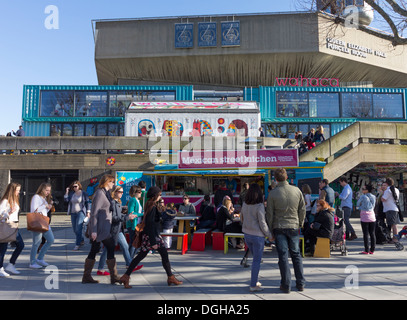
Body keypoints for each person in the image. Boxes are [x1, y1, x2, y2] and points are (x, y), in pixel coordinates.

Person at [119, 186, 183, 289]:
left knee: (141, 256)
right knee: (163, 255)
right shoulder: (152, 206)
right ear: (155, 195)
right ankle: (170, 277)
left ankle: (125, 276)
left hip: (149, 235)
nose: (160, 196)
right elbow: (150, 224)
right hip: (152, 237)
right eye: (159, 194)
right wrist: (153, 241)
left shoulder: (149, 204)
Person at [266, 168, 306, 293]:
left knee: (283, 256)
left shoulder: (273, 193)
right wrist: (300, 223)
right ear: (286, 177)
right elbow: (302, 209)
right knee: (296, 255)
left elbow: (270, 213)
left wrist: (270, 229)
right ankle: (300, 283)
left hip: (279, 227)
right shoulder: (297, 190)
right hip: (293, 226)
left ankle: (286, 284)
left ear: (276, 179)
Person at [82, 174, 119, 285]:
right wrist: (93, 230)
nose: (113, 184)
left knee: (94, 249)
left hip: (103, 227)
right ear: (107, 181)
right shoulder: (99, 193)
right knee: (110, 246)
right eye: (112, 182)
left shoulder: (106, 193)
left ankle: (87, 277)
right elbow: (94, 212)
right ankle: (114, 277)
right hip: (100, 229)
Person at [241, 184, 272, 292]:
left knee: (255, 259)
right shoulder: (259, 206)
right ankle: (253, 284)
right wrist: (269, 235)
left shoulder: (245, 204)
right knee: (256, 261)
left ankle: (255, 280)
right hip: (257, 236)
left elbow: (242, 218)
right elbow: (262, 223)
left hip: (247, 234)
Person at [97, 186, 133, 273]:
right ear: (115, 192)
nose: (122, 193)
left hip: (117, 229)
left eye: (123, 192)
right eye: (120, 192)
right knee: (110, 248)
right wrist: (127, 217)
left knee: (117, 247)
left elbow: (118, 216)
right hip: (114, 229)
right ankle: (129, 265)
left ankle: (129, 264)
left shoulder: (117, 202)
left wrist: (125, 213)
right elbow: (113, 218)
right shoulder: (113, 203)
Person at [0, 183, 24, 277]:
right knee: (3, 249)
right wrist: (9, 212)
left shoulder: (14, 200)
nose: (19, 192)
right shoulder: (5, 201)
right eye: (17, 190)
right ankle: (1, 268)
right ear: (12, 190)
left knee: (20, 245)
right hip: (6, 226)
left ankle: (11, 264)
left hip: (13, 226)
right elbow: (1, 215)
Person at [29, 182, 55, 269]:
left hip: (44, 222)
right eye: (46, 190)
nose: (48, 192)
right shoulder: (36, 197)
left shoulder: (43, 199)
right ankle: (32, 262)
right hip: (37, 222)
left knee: (51, 240)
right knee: (36, 243)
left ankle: (40, 258)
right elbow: (34, 210)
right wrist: (45, 206)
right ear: (42, 189)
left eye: (49, 190)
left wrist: (48, 207)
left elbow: (43, 212)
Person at [64, 180, 91, 251]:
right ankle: (81, 240)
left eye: (75, 186)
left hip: (81, 212)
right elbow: (66, 200)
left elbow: (87, 203)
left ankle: (77, 244)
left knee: (78, 229)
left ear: (79, 186)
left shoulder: (84, 193)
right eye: (73, 187)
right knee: (74, 229)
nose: (74, 188)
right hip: (73, 213)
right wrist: (67, 192)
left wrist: (88, 212)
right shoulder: (72, 193)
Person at [357, 185, 376, 254]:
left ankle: (366, 250)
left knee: (365, 233)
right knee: (372, 233)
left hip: (364, 215)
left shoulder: (363, 196)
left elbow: (358, 204)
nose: (362, 190)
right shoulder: (374, 197)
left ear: (366, 190)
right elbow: (373, 206)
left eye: (363, 189)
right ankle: (372, 250)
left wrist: (361, 207)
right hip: (372, 215)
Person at [381, 178, 401, 244]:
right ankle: (394, 238)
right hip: (394, 208)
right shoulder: (396, 189)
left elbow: (383, 199)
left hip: (390, 209)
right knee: (394, 225)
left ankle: (395, 239)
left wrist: (382, 193)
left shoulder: (387, 190)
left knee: (393, 225)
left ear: (386, 183)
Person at [127, 185, 143, 257]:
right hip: (133, 224)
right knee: (134, 242)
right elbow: (131, 213)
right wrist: (142, 214)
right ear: (134, 192)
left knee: (136, 242)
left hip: (137, 224)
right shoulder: (133, 200)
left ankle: (130, 260)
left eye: (141, 191)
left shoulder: (137, 200)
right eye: (139, 192)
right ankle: (129, 260)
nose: (141, 193)